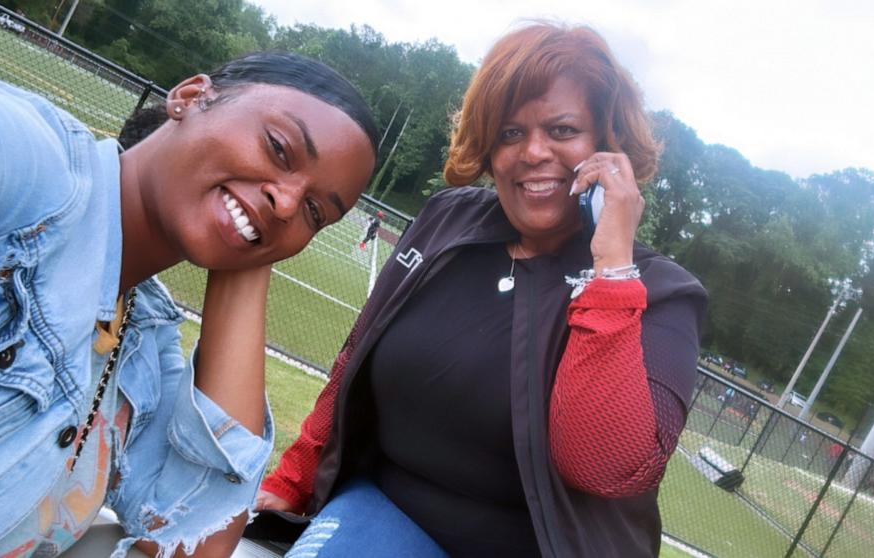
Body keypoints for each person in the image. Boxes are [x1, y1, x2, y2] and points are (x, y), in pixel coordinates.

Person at [255, 23, 707, 557]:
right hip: (390, 512)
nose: (533, 152)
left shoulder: (663, 292)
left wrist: (610, 267)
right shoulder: (448, 218)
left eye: (562, 130)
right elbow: (356, 360)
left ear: (609, 146)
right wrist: (290, 482)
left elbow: (603, 466)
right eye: (511, 133)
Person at [0, 51, 378, 557]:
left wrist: (249, 259)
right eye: (278, 147)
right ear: (189, 97)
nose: (288, 203)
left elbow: (196, 543)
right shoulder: (27, 163)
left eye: (314, 213)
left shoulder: (143, 349)